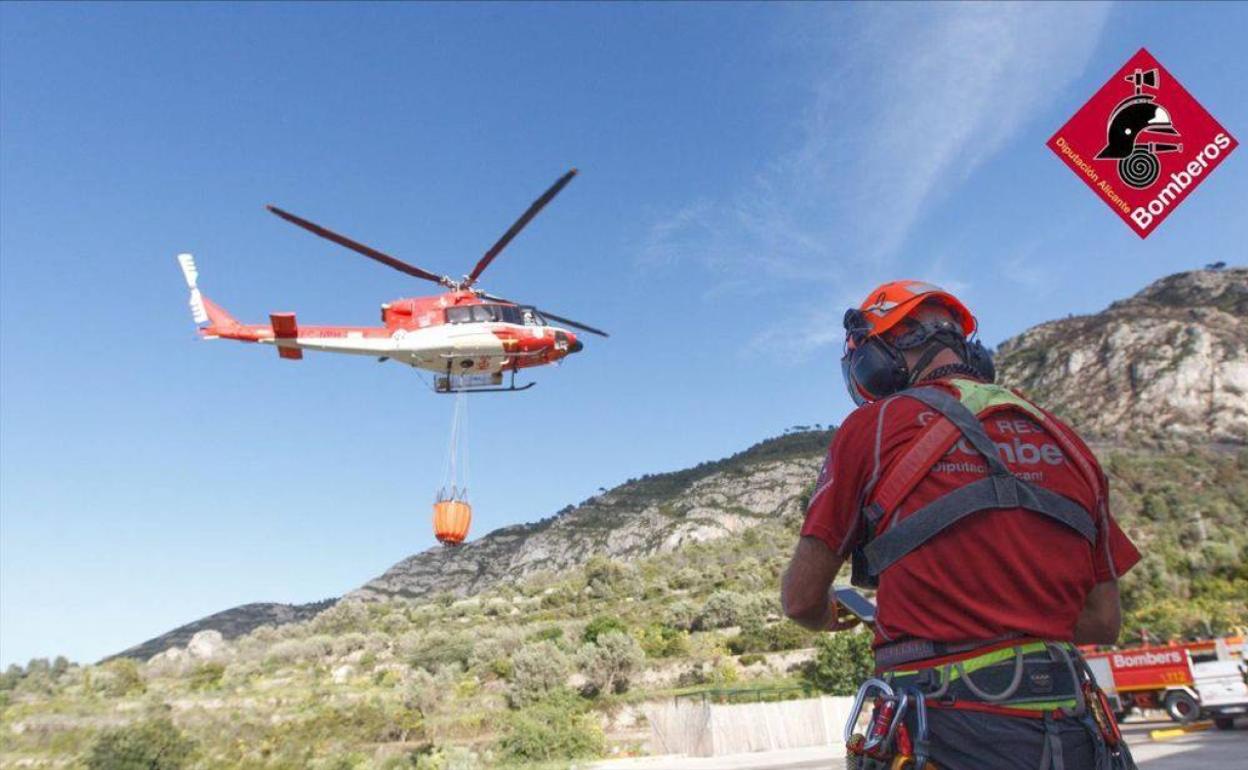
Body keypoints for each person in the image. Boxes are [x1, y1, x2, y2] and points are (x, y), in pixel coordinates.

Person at [781, 280, 1140, 770]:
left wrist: (826, 616)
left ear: (880, 355)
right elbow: (1103, 620)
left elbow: (800, 599)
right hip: (1072, 727)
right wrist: (1018, 613)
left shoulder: (874, 426)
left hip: (946, 729)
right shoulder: (1067, 441)